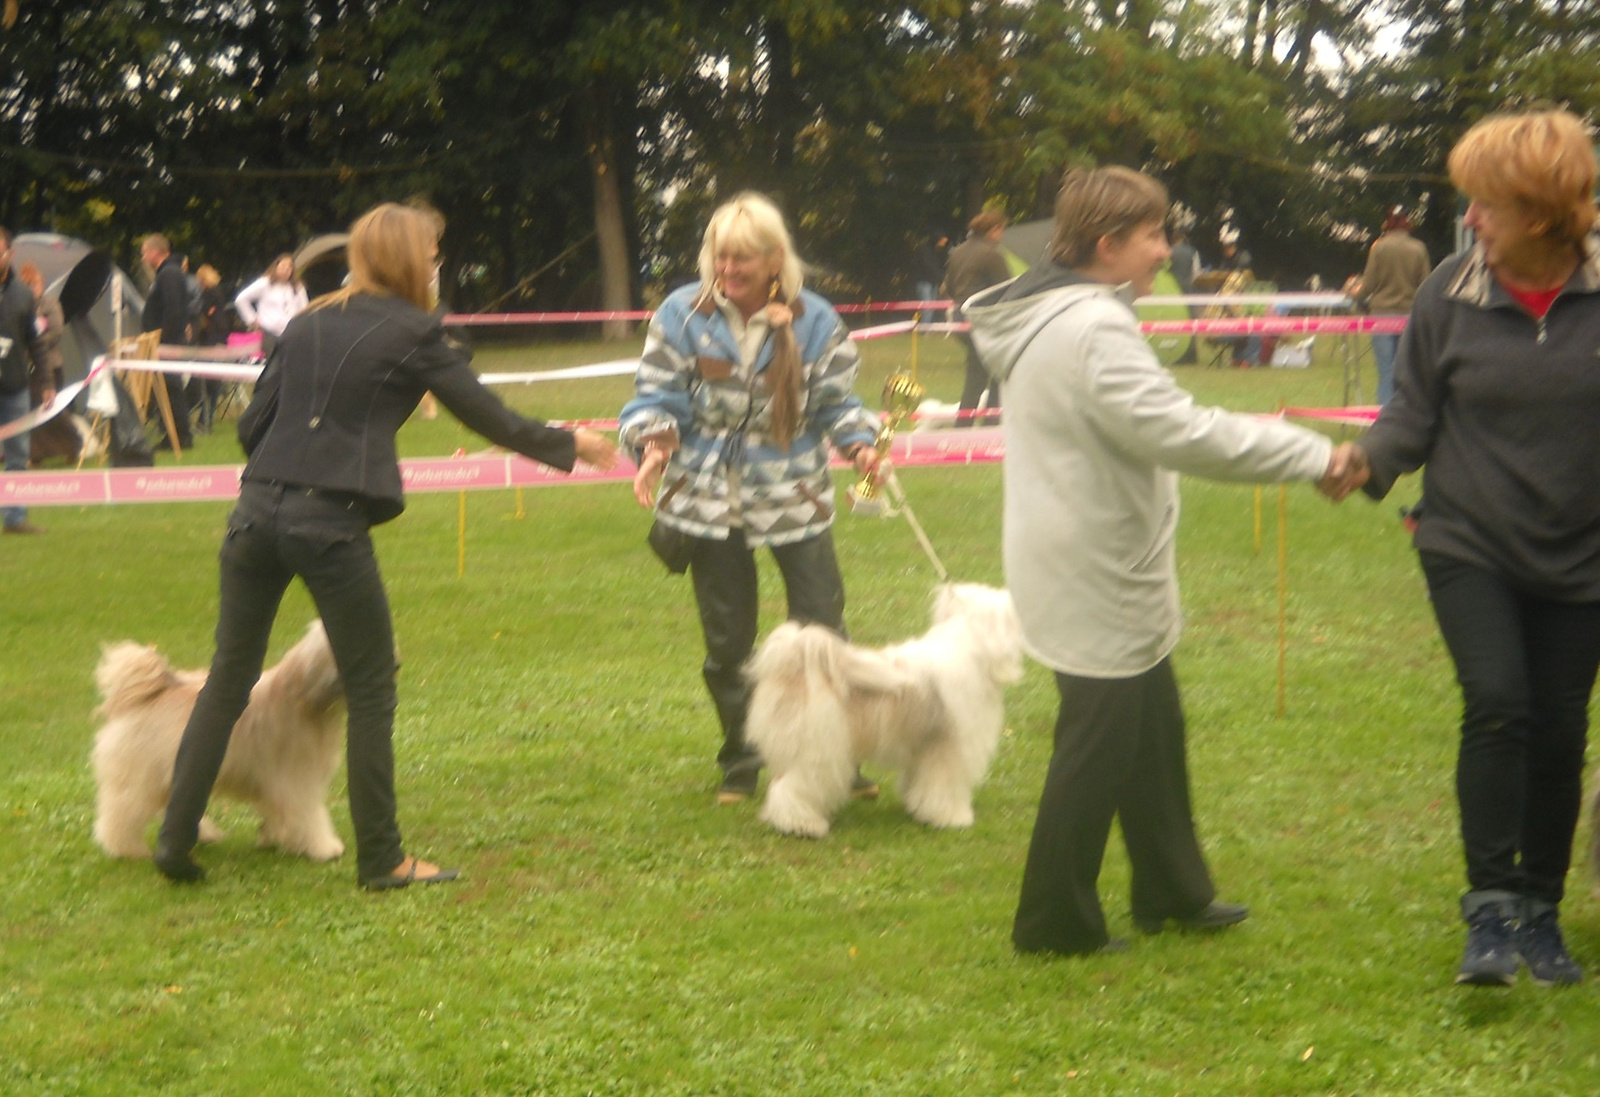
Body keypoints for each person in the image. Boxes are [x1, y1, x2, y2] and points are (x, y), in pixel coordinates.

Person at [153, 202, 617, 889]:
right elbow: (487, 414)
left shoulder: (305, 321)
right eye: (432, 251)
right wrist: (568, 442)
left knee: (227, 677)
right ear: (409, 258)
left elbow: (254, 424)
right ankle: (383, 857)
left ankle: (175, 837)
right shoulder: (417, 331)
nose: (437, 262)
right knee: (371, 685)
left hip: (254, 511)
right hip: (329, 522)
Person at [963, 166, 1345, 958]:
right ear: (1107, 245)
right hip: (1093, 563)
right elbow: (1182, 431)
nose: (1164, 250)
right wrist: (1312, 453)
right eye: (1152, 235)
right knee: (1099, 741)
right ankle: (1053, 923)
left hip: (1091, 554)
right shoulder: (1090, 327)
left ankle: (1172, 890)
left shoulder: (1069, 312)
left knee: (1153, 730)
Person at [1327, 110, 1600, 987]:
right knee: (1498, 702)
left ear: (1546, 209)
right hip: (1468, 540)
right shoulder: (1450, 286)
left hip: (1584, 557)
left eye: (1488, 203)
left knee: (1560, 733)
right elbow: (1412, 411)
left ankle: (1542, 908)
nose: (1471, 219)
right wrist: (1366, 460)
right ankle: (1489, 910)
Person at [619, 192, 883, 805]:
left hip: (795, 497)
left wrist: (862, 445)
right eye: (719, 257)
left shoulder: (815, 320)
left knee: (824, 633)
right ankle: (742, 759)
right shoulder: (681, 314)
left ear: (774, 261)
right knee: (727, 644)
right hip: (708, 502)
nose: (727, 271)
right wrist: (655, 447)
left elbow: (839, 404)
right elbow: (653, 396)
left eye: (741, 260)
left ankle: (839, 759)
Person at [0, 227, 53, 533]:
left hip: (15, 388)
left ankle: (15, 519)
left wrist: (46, 382)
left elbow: (36, 342)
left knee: (18, 455)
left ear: (10, 255)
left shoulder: (23, 294)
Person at [1350, 207, 1431, 405]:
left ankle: (1386, 417)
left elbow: (1368, 285)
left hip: (1381, 316)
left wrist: (1353, 294)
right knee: (1408, 371)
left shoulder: (1379, 247)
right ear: (1407, 223)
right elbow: (1426, 285)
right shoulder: (1419, 248)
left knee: (1386, 371)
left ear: (1387, 223)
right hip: (1409, 317)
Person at [943, 211, 1012, 424]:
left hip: (959, 319)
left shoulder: (957, 252)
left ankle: (963, 424)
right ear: (994, 230)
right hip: (984, 321)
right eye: (1001, 230)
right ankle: (991, 423)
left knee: (976, 374)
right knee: (1000, 372)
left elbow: (949, 288)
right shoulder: (992, 254)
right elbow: (1007, 289)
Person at [139, 233, 194, 451]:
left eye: (144, 253)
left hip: (167, 343)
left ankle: (179, 436)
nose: (143, 258)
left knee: (171, 389)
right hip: (166, 341)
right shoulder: (169, 273)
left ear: (155, 252)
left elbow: (173, 309)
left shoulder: (169, 274)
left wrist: (163, 340)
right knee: (168, 389)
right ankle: (173, 433)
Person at [234, 253, 310, 358]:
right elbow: (241, 299)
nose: (286, 269)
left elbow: (305, 308)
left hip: (293, 334)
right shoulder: (265, 283)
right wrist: (253, 320)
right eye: (283, 266)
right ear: (276, 267)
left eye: (290, 267)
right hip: (270, 334)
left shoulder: (297, 287)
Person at [189, 263, 231, 433]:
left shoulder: (208, 294)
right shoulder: (219, 292)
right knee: (214, 383)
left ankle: (204, 421)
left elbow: (205, 311)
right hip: (221, 338)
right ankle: (206, 421)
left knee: (207, 384)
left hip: (210, 340)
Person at [912, 230, 949, 303]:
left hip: (933, 282)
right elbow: (930, 267)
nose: (944, 243)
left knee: (931, 306)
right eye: (942, 241)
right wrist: (943, 277)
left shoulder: (937, 250)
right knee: (928, 308)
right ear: (937, 239)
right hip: (925, 282)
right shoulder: (925, 251)